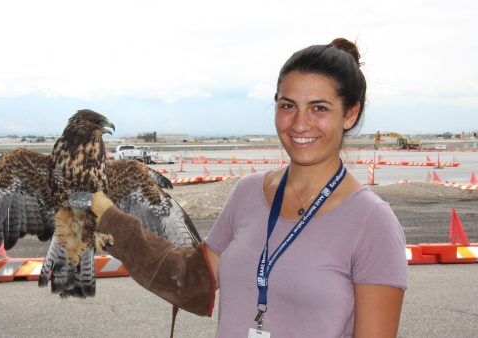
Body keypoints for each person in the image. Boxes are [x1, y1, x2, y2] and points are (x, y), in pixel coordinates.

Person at [88, 38, 407, 338]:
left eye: (319, 108)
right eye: (288, 105)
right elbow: (189, 281)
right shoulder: (247, 193)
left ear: (350, 114)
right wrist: (113, 223)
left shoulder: (372, 223)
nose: (299, 123)